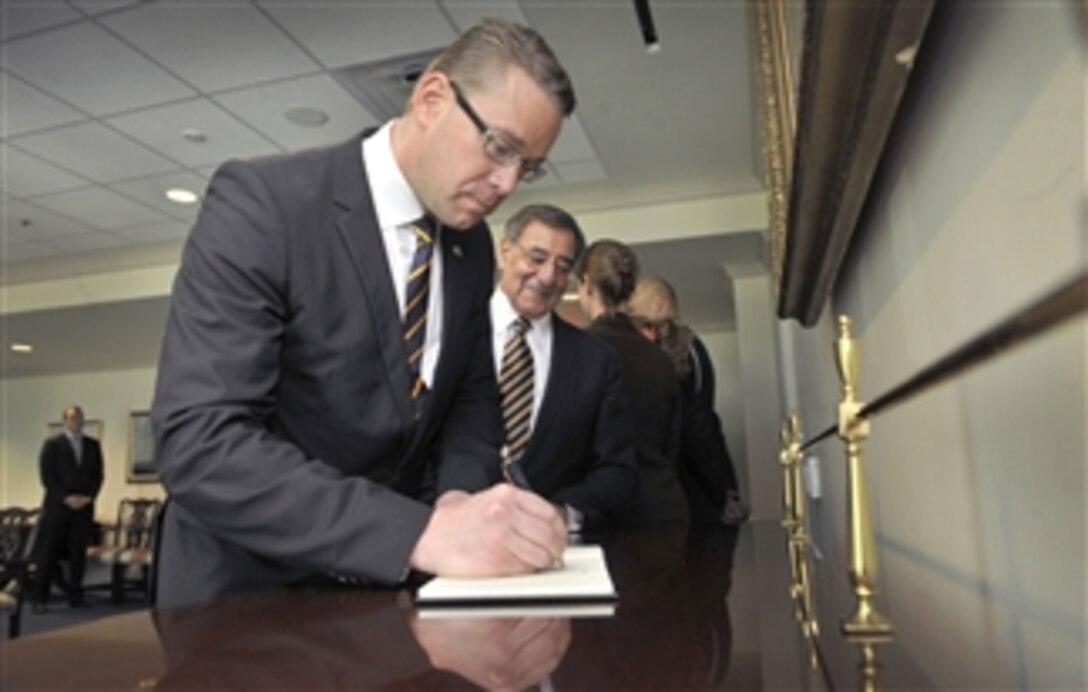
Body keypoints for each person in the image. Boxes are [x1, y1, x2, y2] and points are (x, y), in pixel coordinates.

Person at [151, 18, 576, 607]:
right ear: (431, 99)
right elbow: (201, 441)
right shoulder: (263, 204)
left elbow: (471, 400)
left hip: (386, 604)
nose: (507, 184)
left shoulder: (470, 245)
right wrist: (418, 533)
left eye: (527, 167)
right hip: (246, 601)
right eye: (500, 147)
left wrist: (457, 499)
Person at [490, 204, 638, 531]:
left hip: (553, 553)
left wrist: (562, 514)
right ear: (504, 252)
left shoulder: (596, 361)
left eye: (563, 266)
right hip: (449, 551)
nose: (547, 277)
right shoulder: (451, 333)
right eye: (537, 258)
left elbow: (617, 470)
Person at [576, 241, 688, 527]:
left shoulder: (578, 352)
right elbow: (672, 445)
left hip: (609, 517)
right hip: (664, 509)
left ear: (586, 285)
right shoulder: (660, 355)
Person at [628, 276, 749, 525]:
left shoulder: (687, 349)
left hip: (692, 483)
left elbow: (699, 422)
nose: (628, 304)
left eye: (636, 297)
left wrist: (721, 491)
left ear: (660, 305)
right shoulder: (645, 346)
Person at [32, 405, 103, 610]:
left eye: (80, 418)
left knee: (78, 554)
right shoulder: (52, 444)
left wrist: (88, 497)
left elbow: (98, 475)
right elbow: (47, 477)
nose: (77, 422)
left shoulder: (92, 445)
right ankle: (40, 598)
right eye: (73, 419)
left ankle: (75, 596)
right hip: (57, 508)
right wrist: (66, 498)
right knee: (48, 553)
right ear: (64, 421)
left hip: (83, 508)